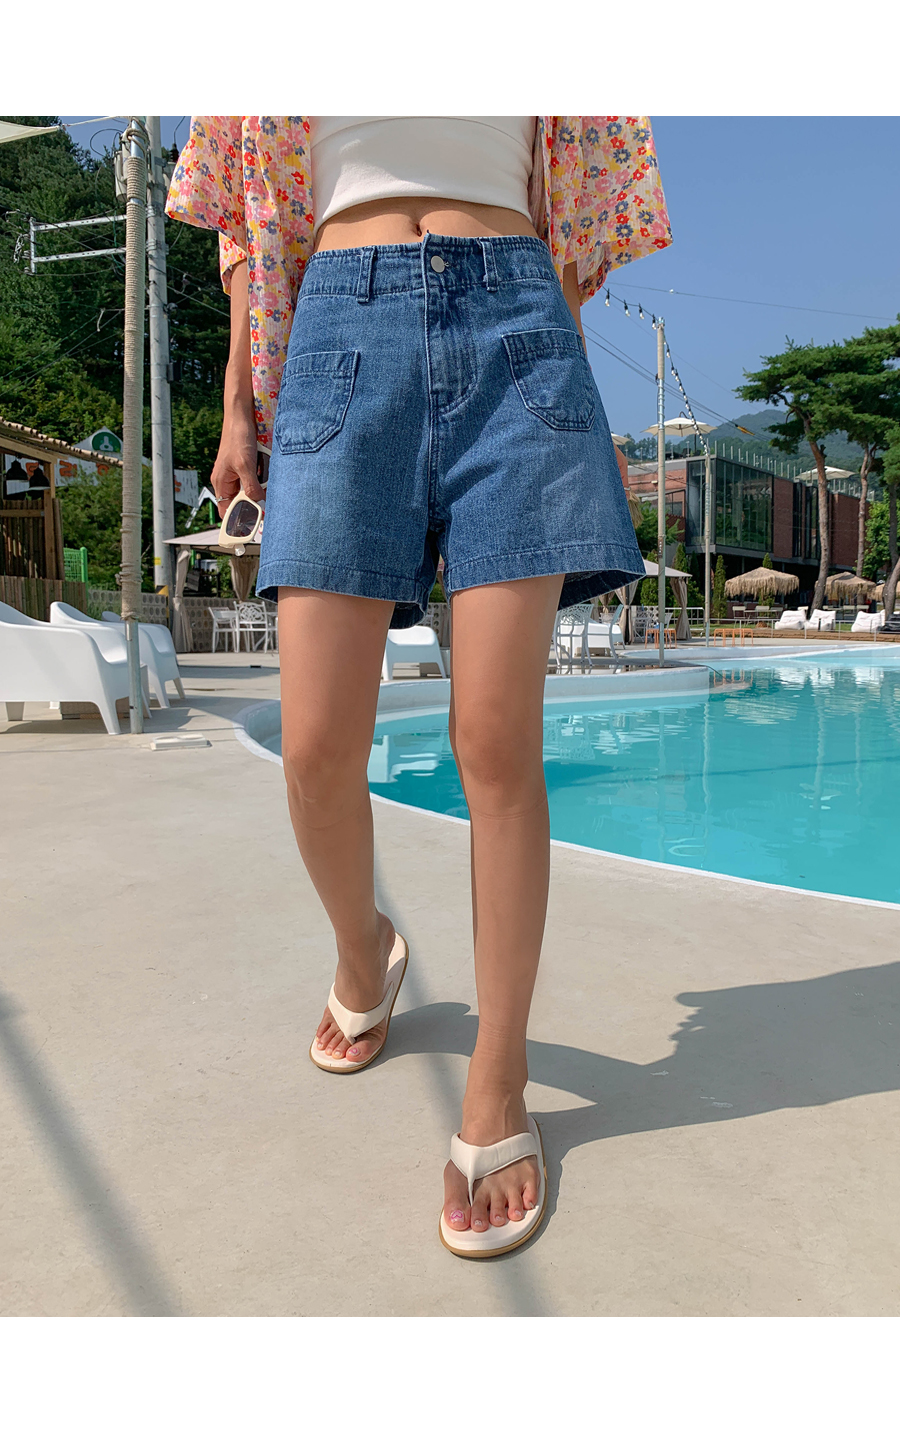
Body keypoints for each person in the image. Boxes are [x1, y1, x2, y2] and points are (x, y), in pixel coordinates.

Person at [167, 116, 671, 1257]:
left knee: (494, 741)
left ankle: (500, 1078)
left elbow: (581, 208)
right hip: (339, 328)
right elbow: (245, 223)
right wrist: (239, 407)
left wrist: (564, 368)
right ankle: (366, 950)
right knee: (314, 747)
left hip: (517, 327)